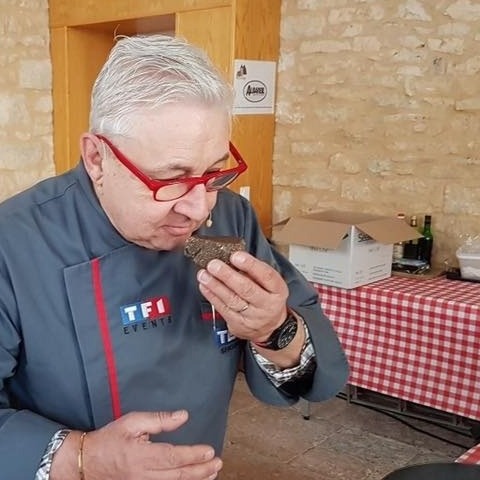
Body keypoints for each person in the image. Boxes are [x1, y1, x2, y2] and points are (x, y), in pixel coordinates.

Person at [0, 34, 349, 480]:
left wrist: (273, 329)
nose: (199, 209)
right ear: (97, 158)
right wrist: (82, 458)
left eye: (213, 172)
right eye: (170, 179)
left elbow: (306, 358)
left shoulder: (231, 219)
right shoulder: (14, 243)